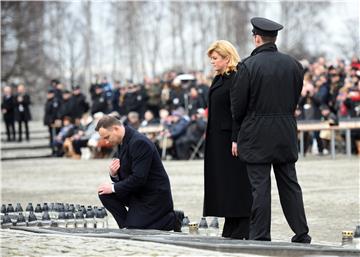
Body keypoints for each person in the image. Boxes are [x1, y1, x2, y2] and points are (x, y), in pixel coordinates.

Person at [230, 17, 311, 243]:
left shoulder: (247, 66)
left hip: (256, 133)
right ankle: (301, 231)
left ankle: (260, 235)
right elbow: (294, 98)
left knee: (260, 187)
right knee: (290, 184)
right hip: (285, 131)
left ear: (256, 38)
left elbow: (237, 107)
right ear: (274, 38)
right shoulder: (294, 65)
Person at [96, 115, 183, 231]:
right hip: (136, 192)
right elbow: (127, 173)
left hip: (152, 195)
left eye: (107, 137)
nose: (106, 142)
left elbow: (139, 178)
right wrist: (114, 174)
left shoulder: (139, 142)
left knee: (138, 229)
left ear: (116, 129)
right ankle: (126, 226)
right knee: (104, 193)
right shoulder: (122, 141)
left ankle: (172, 219)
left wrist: (113, 187)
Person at [203, 40, 252, 239]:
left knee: (235, 182)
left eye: (215, 59)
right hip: (217, 139)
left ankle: (242, 225)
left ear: (227, 58)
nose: (212, 62)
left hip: (230, 139)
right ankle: (231, 224)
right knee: (224, 183)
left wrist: (236, 138)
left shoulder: (235, 78)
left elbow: (238, 111)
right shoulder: (219, 78)